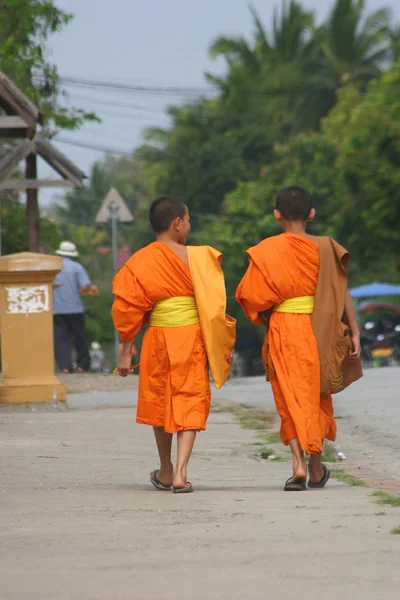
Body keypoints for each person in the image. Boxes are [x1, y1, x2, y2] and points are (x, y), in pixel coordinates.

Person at [236, 186, 361, 491]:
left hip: (284, 328)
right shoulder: (326, 247)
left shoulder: (266, 251)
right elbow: (340, 290)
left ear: (277, 215)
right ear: (312, 214)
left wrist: (272, 311)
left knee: (289, 397)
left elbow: (249, 296)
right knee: (317, 395)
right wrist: (354, 330)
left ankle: (297, 465)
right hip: (321, 328)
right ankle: (316, 468)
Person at [112, 196, 235, 493]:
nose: (190, 225)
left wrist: (126, 354)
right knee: (189, 397)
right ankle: (181, 471)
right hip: (192, 336)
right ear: (177, 223)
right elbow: (215, 305)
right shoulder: (201, 257)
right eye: (189, 219)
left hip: (158, 337)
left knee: (160, 400)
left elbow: (129, 311)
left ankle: (165, 470)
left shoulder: (139, 261)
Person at [52, 241, 98, 374]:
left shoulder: (53, 268)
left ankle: (65, 366)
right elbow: (85, 287)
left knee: (61, 338)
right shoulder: (77, 267)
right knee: (79, 337)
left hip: (57, 310)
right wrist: (89, 290)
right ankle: (82, 365)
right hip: (75, 308)